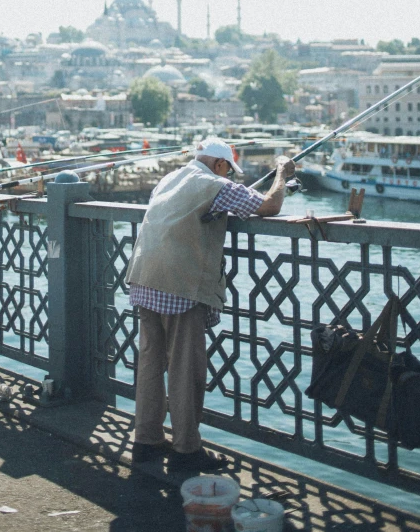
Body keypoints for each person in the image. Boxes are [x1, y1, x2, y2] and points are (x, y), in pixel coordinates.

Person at [125, 137, 296, 472]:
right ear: (220, 165)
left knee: (150, 364)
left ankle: (146, 441)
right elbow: (270, 205)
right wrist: (283, 173)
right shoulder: (215, 184)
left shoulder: (169, 179)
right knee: (185, 369)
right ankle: (185, 450)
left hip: (144, 277)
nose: (230, 177)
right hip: (179, 285)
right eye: (228, 170)